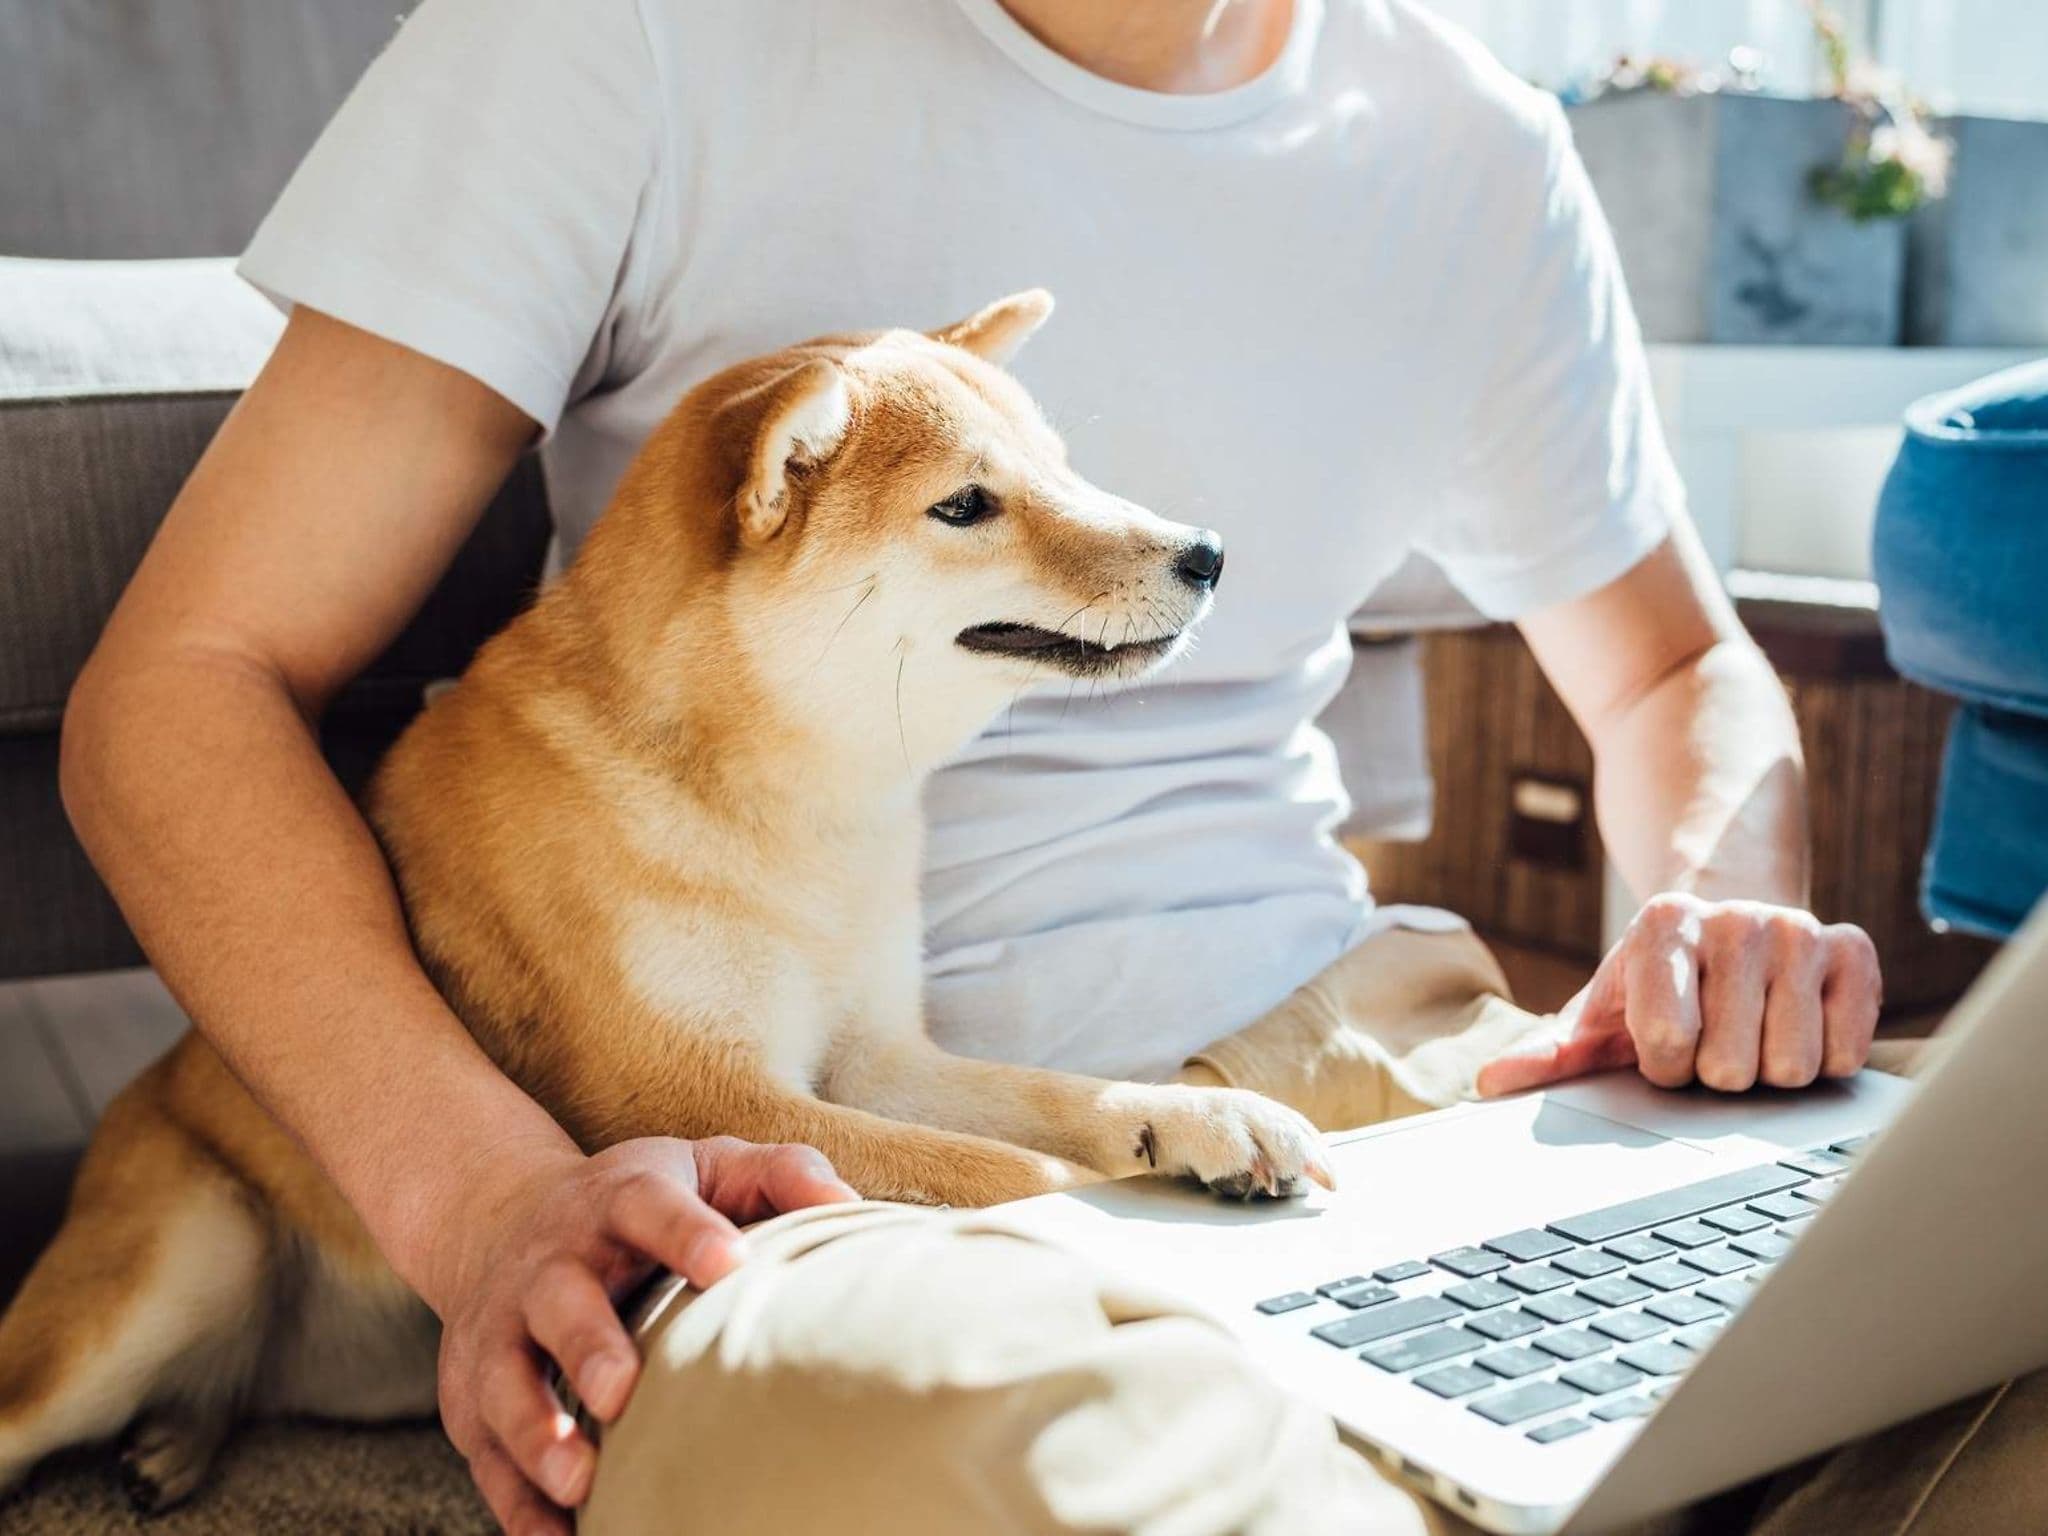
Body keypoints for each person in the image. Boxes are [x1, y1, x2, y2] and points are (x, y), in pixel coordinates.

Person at [59, 2, 1923, 1533]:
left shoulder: (1477, 148)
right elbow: (184, 691)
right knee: (1032, 1469)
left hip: (1378, 1052)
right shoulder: (623, 37)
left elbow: (1679, 664)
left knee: (1952, 1284)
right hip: (812, 1182)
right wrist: (478, 1201)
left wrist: (1719, 918)